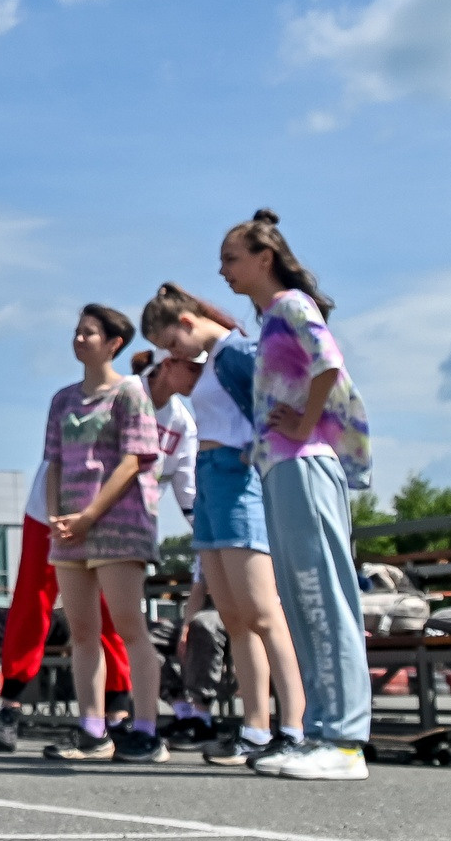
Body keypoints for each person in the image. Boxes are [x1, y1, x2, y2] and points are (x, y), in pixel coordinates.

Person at [218, 212, 373, 782]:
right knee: (300, 601)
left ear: (264, 257)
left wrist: (306, 425)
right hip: (280, 467)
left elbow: (330, 365)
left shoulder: (291, 306)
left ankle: (346, 740)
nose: (223, 270)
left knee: (321, 596)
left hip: (306, 464)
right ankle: (322, 731)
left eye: (232, 258)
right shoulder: (269, 321)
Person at [141, 282, 310, 768]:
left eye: (173, 343)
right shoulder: (213, 359)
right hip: (211, 481)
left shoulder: (235, 352)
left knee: (262, 612)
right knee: (234, 617)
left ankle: (294, 725)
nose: (174, 356)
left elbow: (271, 399)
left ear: (188, 323)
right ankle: (255, 728)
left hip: (238, 475)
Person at [39, 305, 167, 763]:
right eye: (76, 331)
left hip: (117, 525)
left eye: (89, 332)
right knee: (82, 632)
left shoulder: (131, 393)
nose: (79, 339)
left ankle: (148, 729)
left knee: (130, 627)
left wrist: (90, 514)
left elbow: (134, 459)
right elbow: (53, 462)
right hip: (70, 530)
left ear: (114, 342)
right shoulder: (63, 399)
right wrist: (57, 516)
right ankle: (92, 728)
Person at [0, 457, 135, 752]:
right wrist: (55, 516)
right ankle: (10, 707)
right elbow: (55, 455)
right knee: (32, 600)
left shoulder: (165, 422)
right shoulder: (71, 408)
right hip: (49, 513)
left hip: (105, 514)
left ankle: (117, 714)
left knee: (109, 606)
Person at [133, 347, 215, 743]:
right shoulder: (126, 395)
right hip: (97, 524)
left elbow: (187, 489)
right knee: (127, 628)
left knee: (193, 628)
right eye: (192, 368)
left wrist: (206, 530)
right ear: (167, 364)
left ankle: (192, 714)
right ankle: (114, 714)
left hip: (136, 530)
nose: (199, 377)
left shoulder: (182, 422)